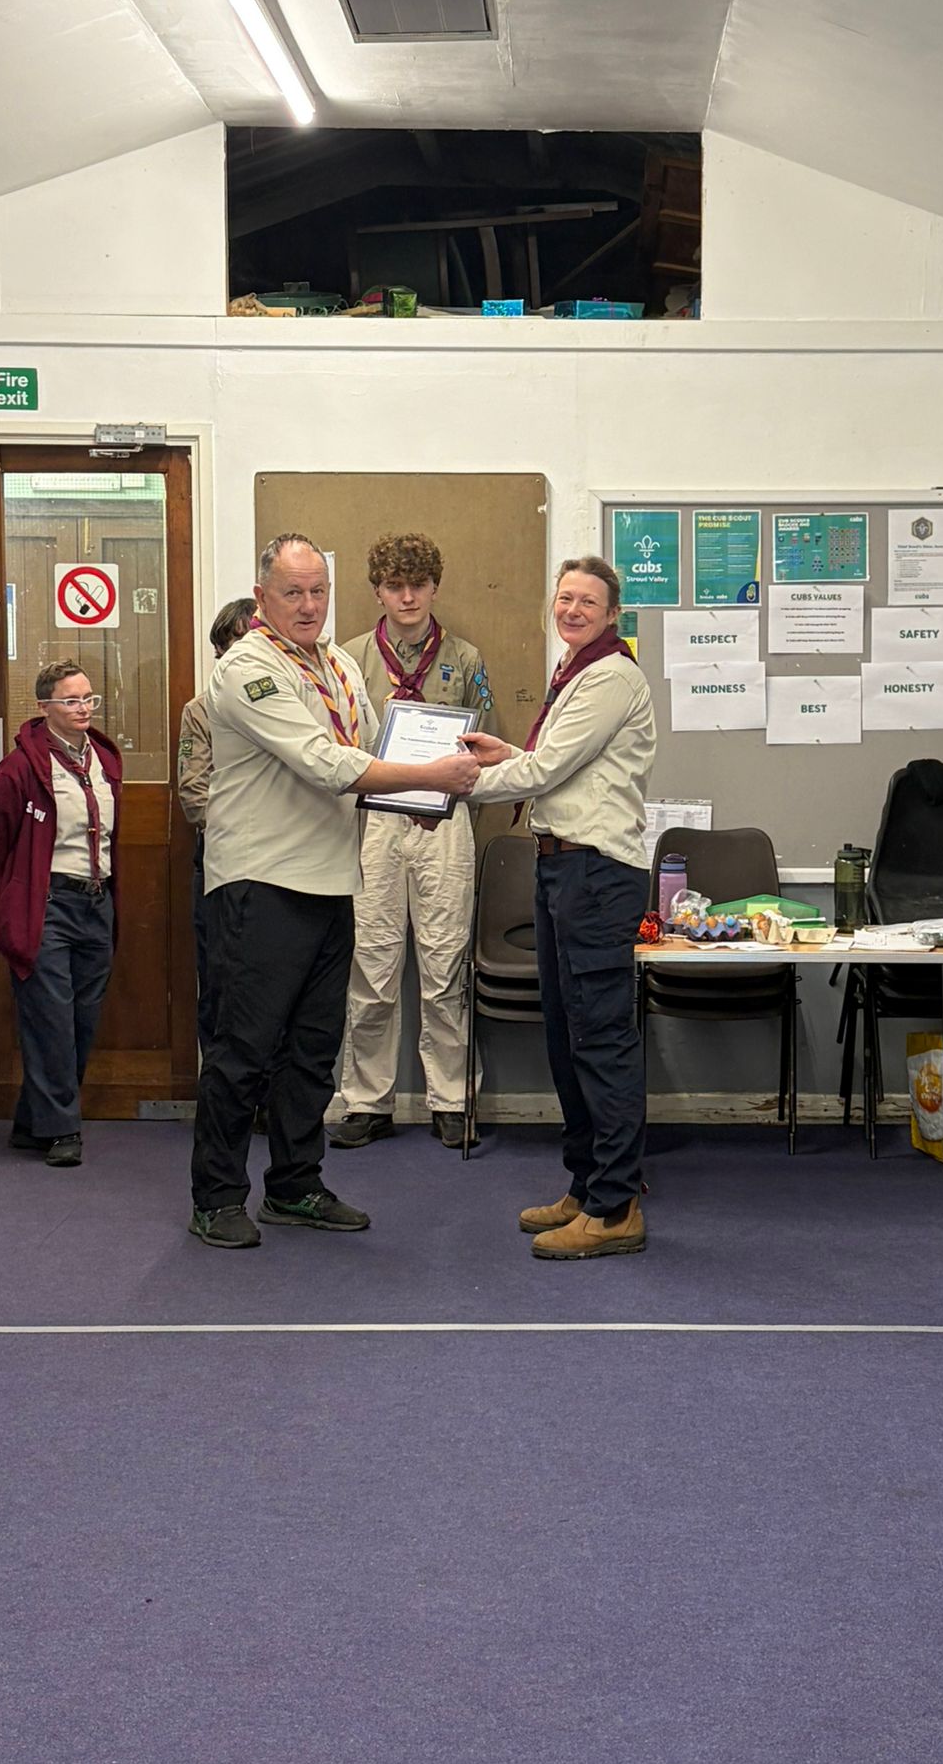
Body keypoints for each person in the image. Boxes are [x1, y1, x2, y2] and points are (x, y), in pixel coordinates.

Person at [189, 534, 480, 1249]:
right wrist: (434, 777)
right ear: (263, 598)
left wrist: (459, 765)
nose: (309, 605)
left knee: (314, 1051)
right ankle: (217, 1195)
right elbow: (327, 764)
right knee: (245, 1051)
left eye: (318, 591)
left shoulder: (341, 666)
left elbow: (383, 748)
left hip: (332, 883)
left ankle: (294, 1185)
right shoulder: (247, 669)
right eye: (293, 592)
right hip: (261, 883)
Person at [464, 555, 656, 1261]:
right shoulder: (578, 670)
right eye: (565, 597)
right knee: (566, 1038)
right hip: (562, 868)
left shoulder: (610, 675)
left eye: (588, 602)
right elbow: (557, 764)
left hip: (595, 875)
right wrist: (501, 753)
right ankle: (587, 1184)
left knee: (601, 1038)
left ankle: (615, 1208)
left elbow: (547, 771)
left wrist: (459, 778)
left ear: (611, 616)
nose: (572, 609)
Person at [330, 533, 499, 1152]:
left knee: (444, 962)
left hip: (445, 821)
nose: (407, 596)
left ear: (434, 587)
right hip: (372, 819)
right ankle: (366, 1099)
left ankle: (452, 1098)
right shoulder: (347, 659)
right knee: (372, 964)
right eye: (395, 586)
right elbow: (335, 745)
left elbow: (490, 744)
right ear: (377, 590)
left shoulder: (466, 658)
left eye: (418, 585)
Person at [0, 660, 123, 1167]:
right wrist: (10, 900)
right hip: (47, 906)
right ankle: (62, 1131)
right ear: (45, 708)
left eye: (89, 699)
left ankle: (32, 1122)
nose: (83, 709)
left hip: (95, 902)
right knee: (51, 1017)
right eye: (71, 700)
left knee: (81, 1018)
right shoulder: (20, 769)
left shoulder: (103, 758)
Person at [178, 595, 257, 1056]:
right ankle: (222, 1101)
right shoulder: (202, 711)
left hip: (280, 869)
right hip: (222, 867)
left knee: (273, 989)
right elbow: (195, 796)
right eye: (228, 652)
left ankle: (271, 1102)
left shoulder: (290, 707)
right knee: (220, 984)